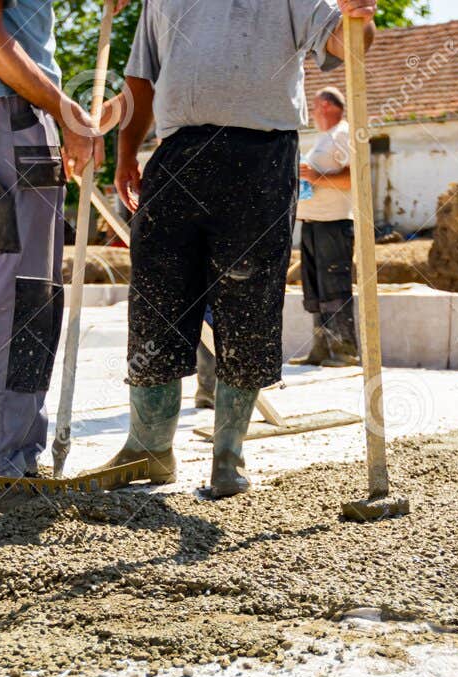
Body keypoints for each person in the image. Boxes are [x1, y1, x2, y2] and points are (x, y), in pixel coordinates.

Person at [99, 0, 377, 499]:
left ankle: (228, 456)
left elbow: (343, 44)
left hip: (261, 156)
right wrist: (125, 154)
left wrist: (359, 19)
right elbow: (141, 79)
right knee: (155, 301)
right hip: (178, 151)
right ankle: (149, 447)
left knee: (248, 306)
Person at [0, 0, 121, 519]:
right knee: (13, 290)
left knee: (36, 296)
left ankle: (15, 461)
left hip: (19, 113)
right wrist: (68, 111)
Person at [290, 87, 358, 368]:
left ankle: (345, 350)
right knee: (316, 291)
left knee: (334, 286)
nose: (313, 113)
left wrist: (317, 177)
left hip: (334, 224)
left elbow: (354, 176)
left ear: (328, 106)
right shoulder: (325, 138)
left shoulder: (342, 134)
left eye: (315, 107)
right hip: (313, 224)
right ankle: (321, 348)